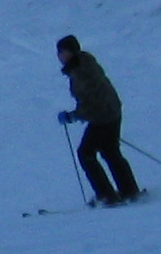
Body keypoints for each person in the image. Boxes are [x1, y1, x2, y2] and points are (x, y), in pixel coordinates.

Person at [57, 35, 140, 205]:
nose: (59, 56)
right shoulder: (83, 64)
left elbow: (91, 101)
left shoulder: (81, 71)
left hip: (103, 116)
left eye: (62, 52)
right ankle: (129, 191)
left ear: (71, 52)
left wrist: (73, 116)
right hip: (111, 112)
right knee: (110, 151)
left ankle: (107, 195)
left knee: (86, 153)